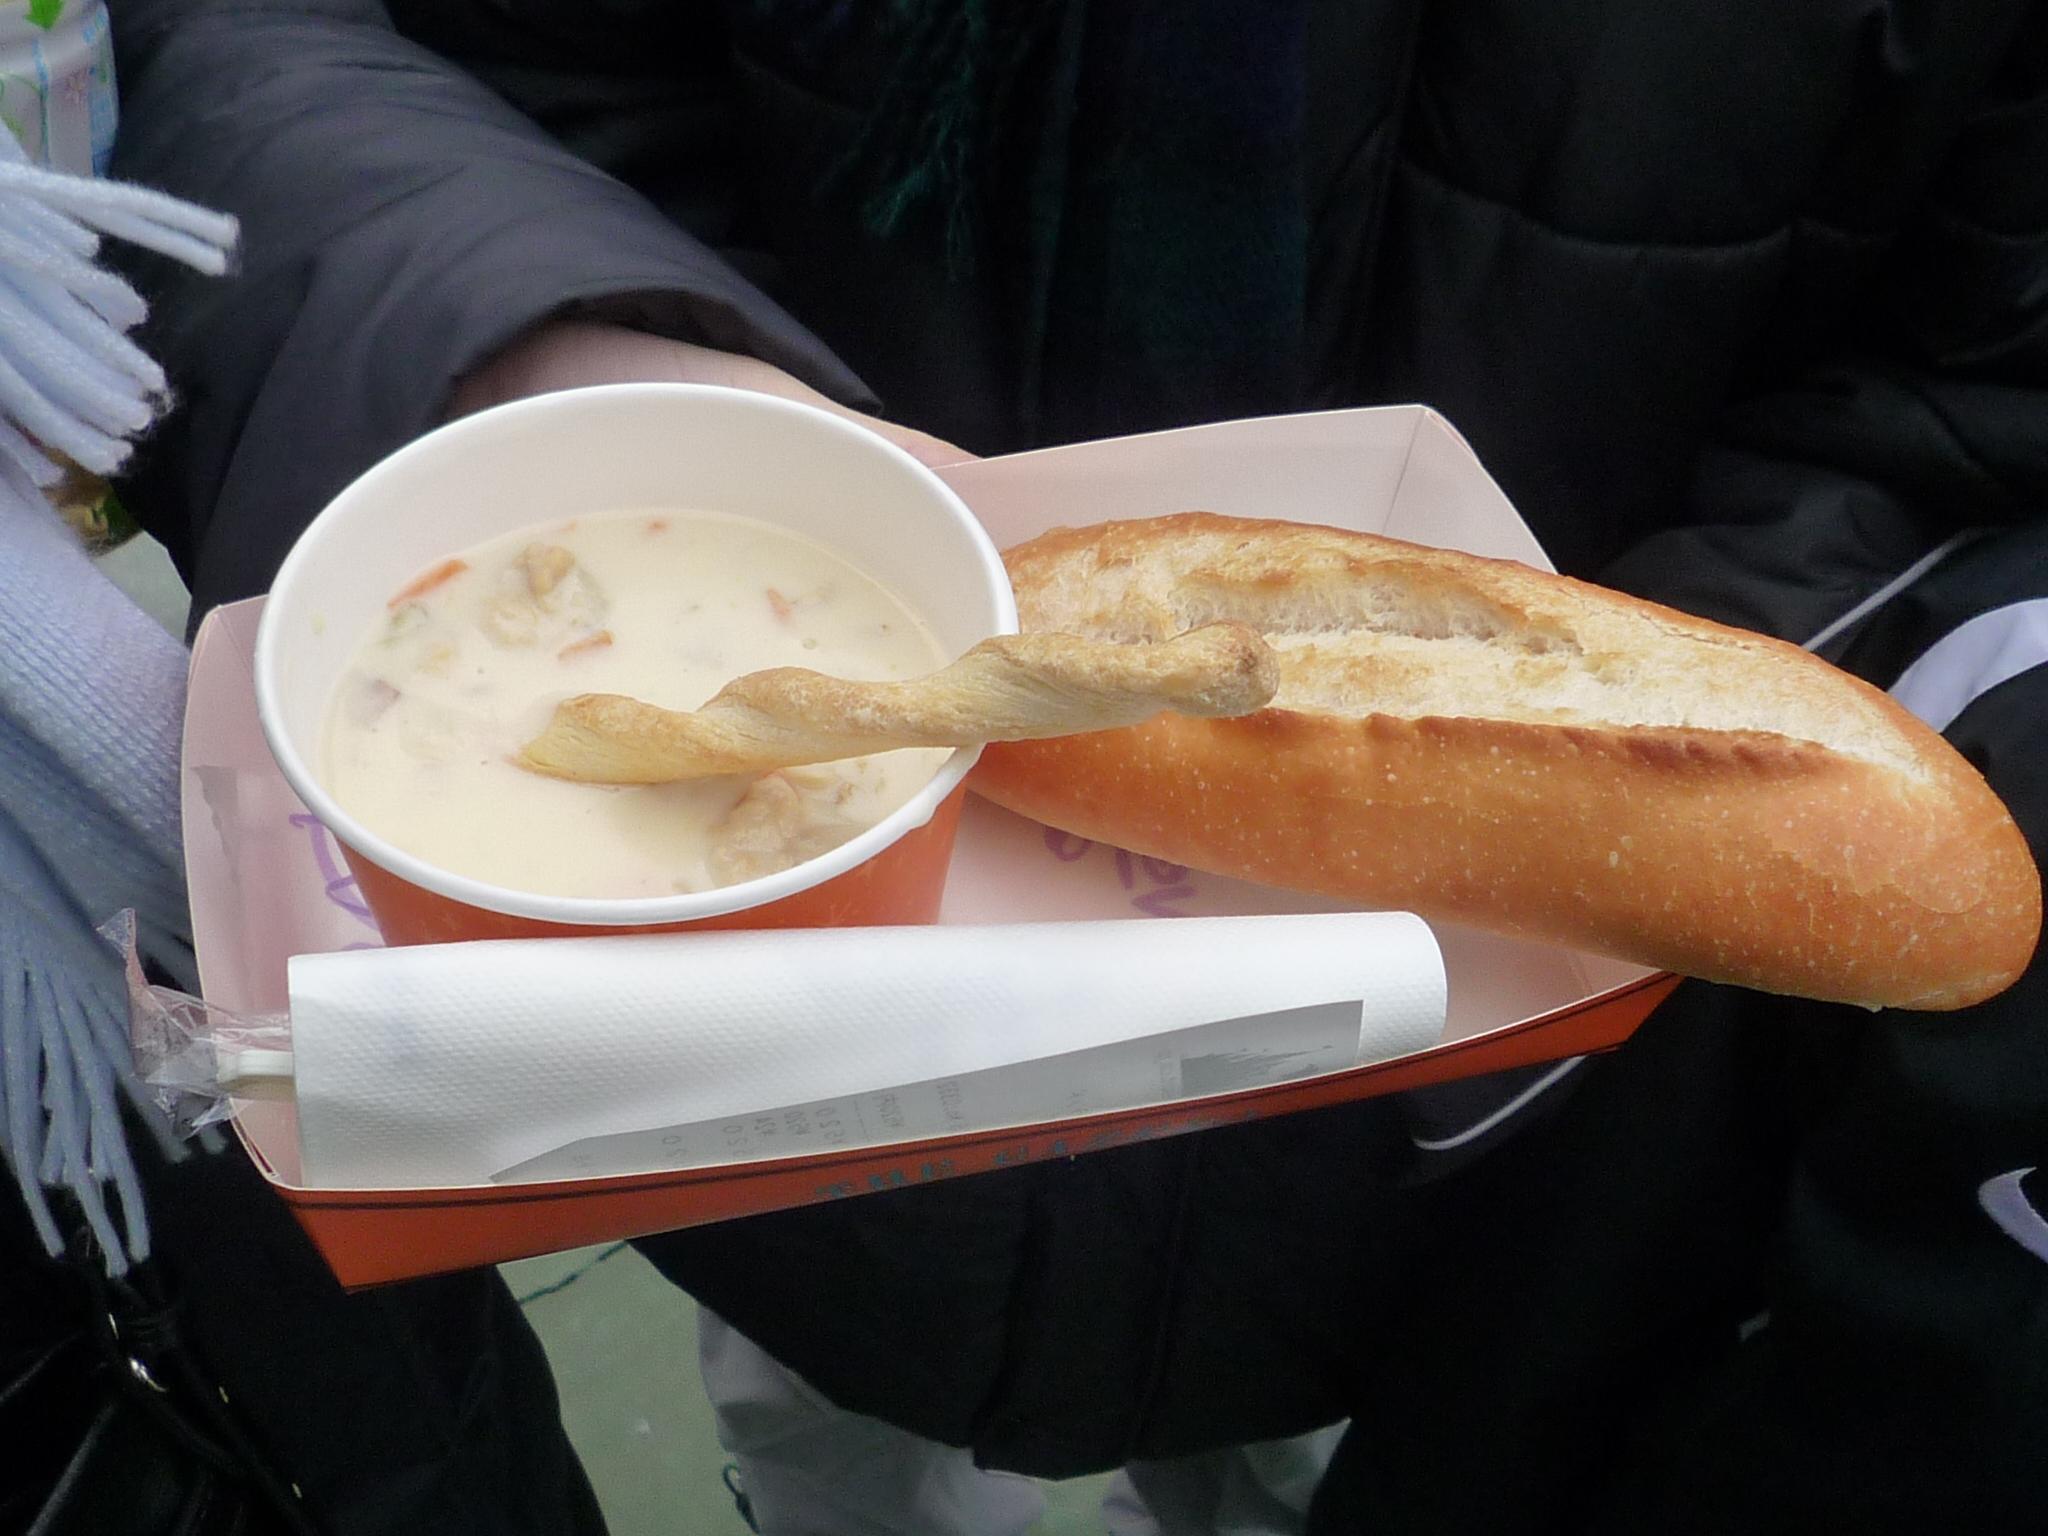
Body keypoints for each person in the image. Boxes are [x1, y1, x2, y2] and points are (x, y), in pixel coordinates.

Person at [105, 1, 2047, 1531]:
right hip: (782, 1131)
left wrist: (1556, 855)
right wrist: (554, 348)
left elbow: (1974, 396)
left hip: (1464, 1137)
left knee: (1291, 1477)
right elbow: (296, 37)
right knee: (832, 1449)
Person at [0, 93, 608, 1536]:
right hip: (103, 1115)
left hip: (162, 1006)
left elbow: (161, 66)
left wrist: (542, 337)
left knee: (418, 1411)